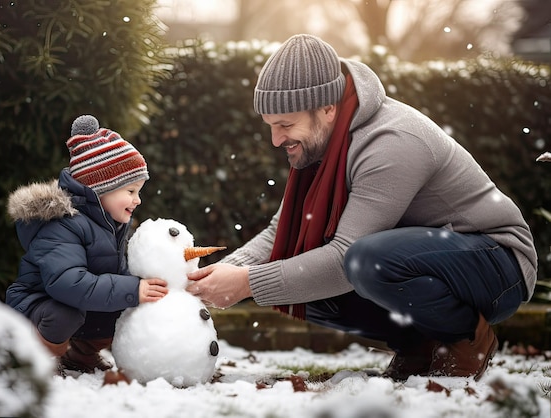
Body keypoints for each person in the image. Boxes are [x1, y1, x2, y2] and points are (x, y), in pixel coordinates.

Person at [187, 34, 537, 381]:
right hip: (434, 261)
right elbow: (281, 234)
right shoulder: (323, 142)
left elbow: (342, 261)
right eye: (270, 126)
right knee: (304, 283)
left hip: (497, 264)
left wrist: (248, 284)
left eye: (285, 125)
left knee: (363, 260)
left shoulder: (392, 142)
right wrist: (219, 274)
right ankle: (418, 347)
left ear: (327, 108)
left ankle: (465, 339)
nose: (276, 140)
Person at [6, 115, 168, 374]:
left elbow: (113, 277)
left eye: (139, 192)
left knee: (124, 305)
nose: (138, 200)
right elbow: (66, 283)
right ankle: (32, 358)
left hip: (73, 302)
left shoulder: (109, 223)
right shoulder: (62, 224)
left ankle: (80, 355)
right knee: (67, 314)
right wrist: (131, 289)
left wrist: (144, 286)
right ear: (99, 189)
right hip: (37, 305)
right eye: (130, 191)